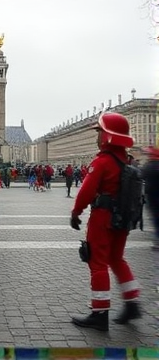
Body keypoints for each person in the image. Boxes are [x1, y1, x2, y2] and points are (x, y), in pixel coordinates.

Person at [70, 112, 141, 332]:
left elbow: (86, 191)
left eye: (100, 132)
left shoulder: (102, 161)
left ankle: (100, 313)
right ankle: (132, 303)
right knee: (117, 259)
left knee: (97, 262)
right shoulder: (125, 161)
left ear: (108, 136)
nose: (97, 137)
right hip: (123, 219)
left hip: (103, 218)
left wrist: (76, 212)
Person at [141, 146, 159, 250]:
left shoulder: (148, 166)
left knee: (156, 219)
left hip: (152, 197)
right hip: (154, 196)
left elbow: (141, 175)